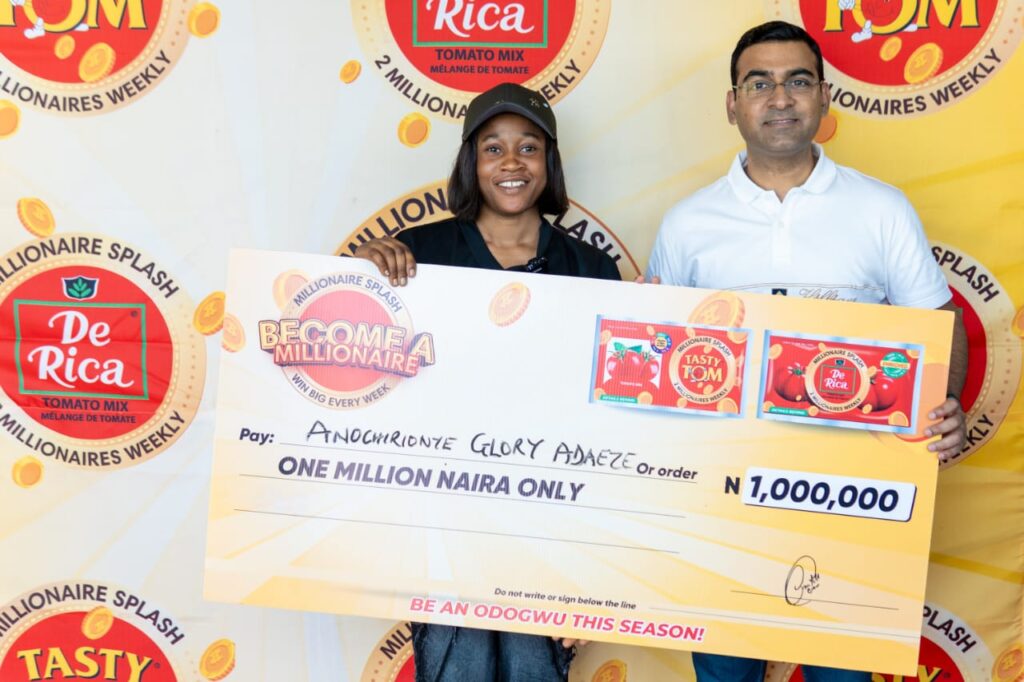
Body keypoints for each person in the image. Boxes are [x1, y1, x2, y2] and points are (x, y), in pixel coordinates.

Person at [646, 21, 968, 682]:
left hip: (853, 494)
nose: (780, 98)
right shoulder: (686, 224)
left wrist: (947, 403)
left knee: (840, 675)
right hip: (724, 500)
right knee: (726, 673)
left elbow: (938, 322)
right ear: (732, 104)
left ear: (825, 97)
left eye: (797, 81)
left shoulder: (881, 209)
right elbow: (662, 361)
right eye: (758, 83)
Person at [355, 82, 620, 682]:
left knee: (533, 669)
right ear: (470, 163)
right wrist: (361, 277)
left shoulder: (591, 267)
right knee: (459, 668)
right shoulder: (417, 254)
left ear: (549, 163)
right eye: (493, 148)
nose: (511, 163)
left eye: (528, 147)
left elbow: (610, 417)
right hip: (445, 515)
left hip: (549, 517)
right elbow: (352, 359)